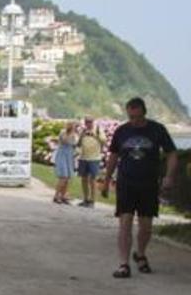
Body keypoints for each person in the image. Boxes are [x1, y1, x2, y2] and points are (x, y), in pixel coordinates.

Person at [102, 97, 177, 278]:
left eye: (137, 117)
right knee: (125, 223)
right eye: (131, 117)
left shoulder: (157, 130)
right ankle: (123, 264)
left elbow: (171, 153)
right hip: (126, 183)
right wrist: (106, 180)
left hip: (149, 184)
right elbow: (113, 156)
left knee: (146, 226)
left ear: (144, 113)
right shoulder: (122, 131)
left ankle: (140, 254)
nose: (134, 121)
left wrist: (169, 176)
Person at [75, 117, 104, 207]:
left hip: (94, 158)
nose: (88, 124)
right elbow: (78, 144)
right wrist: (82, 136)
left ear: (93, 122)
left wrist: (94, 135)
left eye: (90, 122)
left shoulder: (98, 130)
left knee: (93, 180)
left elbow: (104, 142)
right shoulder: (83, 131)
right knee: (84, 179)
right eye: (86, 122)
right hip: (83, 157)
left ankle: (92, 200)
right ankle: (85, 199)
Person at [51, 122, 77, 204]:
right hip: (62, 155)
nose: (74, 128)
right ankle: (56, 195)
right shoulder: (63, 132)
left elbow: (75, 144)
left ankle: (63, 196)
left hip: (69, 156)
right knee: (63, 177)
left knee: (68, 177)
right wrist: (70, 133)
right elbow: (65, 140)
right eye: (73, 126)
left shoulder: (74, 135)